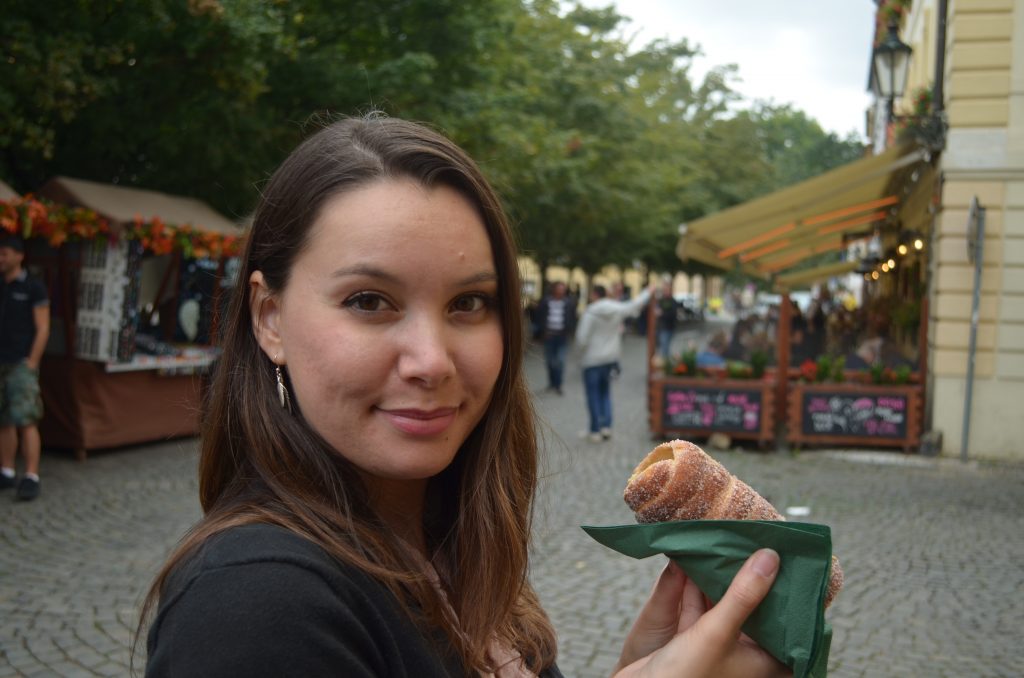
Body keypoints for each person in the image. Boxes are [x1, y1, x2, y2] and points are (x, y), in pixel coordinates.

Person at [139, 115, 786, 677]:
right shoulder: (255, 606)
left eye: (469, 303)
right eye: (369, 301)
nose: (432, 361)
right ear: (269, 317)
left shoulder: (446, 547)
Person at [0, 235, 50, 501]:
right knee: (4, 419)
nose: (1, 258)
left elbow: (43, 327)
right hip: (1, 361)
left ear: (19, 256)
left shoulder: (33, 287)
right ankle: (6, 470)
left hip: (21, 363)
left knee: (26, 419)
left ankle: (31, 475)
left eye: (5, 253)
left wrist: (32, 361)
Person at [575, 284, 652, 443]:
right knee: (605, 393)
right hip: (610, 358)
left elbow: (582, 339)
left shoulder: (590, 312)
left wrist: (579, 355)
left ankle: (594, 430)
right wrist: (646, 292)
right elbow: (634, 305)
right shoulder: (617, 308)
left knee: (593, 395)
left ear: (594, 295)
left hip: (592, 359)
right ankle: (606, 427)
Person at [535, 280, 576, 395]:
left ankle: (558, 385)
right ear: (554, 290)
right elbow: (538, 316)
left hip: (562, 337)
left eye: (563, 289)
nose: (561, 291)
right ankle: (551, 383)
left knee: (560, 361)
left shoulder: (569, 303)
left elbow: (573, 318)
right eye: (559, 289)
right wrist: (542, 331)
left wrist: (570, 331)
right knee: (550, 361)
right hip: (549, 336)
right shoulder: (546, 301)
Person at [654, 280, 679, 360]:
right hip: (660, 327)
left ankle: (666, 364)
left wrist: (662, 313)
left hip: (668, 328)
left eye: (666, 290)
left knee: (665, 348)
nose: (665, 292)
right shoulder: (661, 300)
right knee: (660, 347)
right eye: (664, 290)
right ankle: (664, 363)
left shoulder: (673, 301)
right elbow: (656, 309)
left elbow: (673, 315)